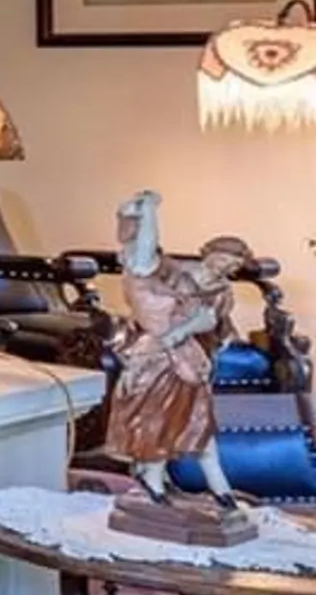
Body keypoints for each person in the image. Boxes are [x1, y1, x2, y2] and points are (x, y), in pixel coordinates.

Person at [100, 189, 249, 510]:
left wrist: (196, 332)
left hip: (189, 359)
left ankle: (216, 489)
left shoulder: (219, 290)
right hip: (159, 357)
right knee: (159, 418)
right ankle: (155, 481)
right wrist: (148, 211)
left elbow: (215, 324)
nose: (224, 267)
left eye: (232, 265)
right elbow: (143, 256)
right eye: (222, 258)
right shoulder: (161, 273)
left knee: (196, 421)